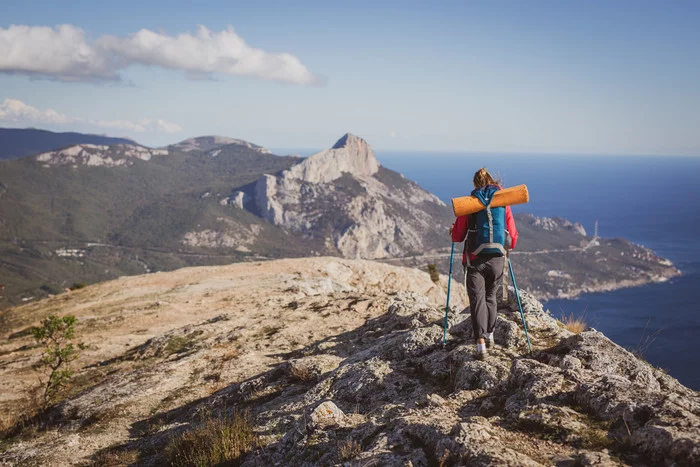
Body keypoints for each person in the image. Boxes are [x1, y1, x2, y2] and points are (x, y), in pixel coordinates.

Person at [451, 168, 518, 360]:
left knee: (477, 299)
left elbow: (458, 236)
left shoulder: (470, 204)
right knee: (491, 297)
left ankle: (480, 345)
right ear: (492, 181)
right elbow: (512, 237)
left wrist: (452, 231)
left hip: (474, 259)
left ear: (475, 184)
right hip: (497, 259)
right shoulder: (503, 201)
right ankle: (489, 335)